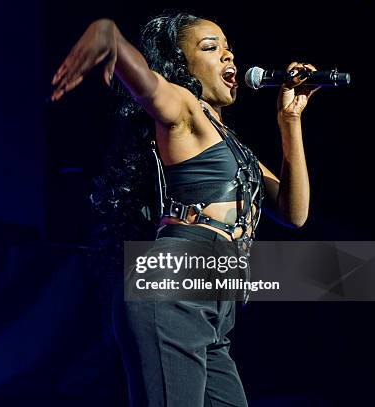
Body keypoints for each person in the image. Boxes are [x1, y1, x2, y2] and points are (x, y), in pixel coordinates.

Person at [51, 12, 319, 407]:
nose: (228, 57)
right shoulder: (184, 107)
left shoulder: (232, 146)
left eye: (229, 49)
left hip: (214, 300)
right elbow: (149, 86)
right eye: (211, 48)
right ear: (183, 66)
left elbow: (294, 213)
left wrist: (289, 119)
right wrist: (112, 39)